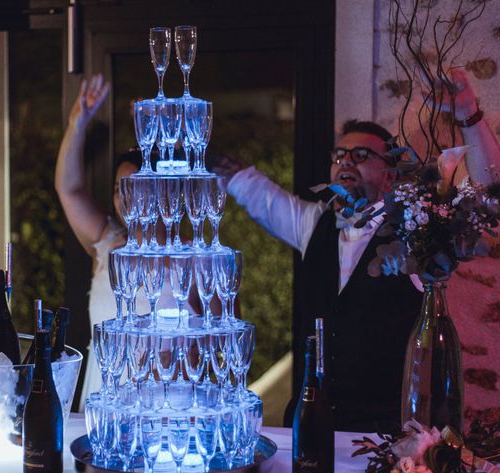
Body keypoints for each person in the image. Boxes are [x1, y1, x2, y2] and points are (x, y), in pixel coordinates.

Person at [214, 68, 500, 432]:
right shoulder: (313, 224)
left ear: (390, 176)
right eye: (339, 155)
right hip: (312, 425)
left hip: (384, 433)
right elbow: (253, 190)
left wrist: (468, 114)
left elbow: (488, 196)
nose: (345, 161)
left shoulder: (417, 230)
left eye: (361, 154)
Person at [55, 74, 201, 407]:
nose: (126, 197)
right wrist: (78, 121)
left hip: (167, 411)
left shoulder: (194, 260)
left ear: (164, 190)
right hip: (102, 405)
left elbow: (220, 344)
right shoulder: (106, 244)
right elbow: (68, 189)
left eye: (136, 186)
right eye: (120, 189)